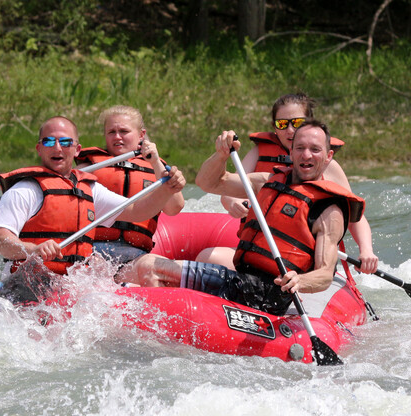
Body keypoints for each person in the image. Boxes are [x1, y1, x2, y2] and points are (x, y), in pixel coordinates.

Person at [130, 120, 365, 316]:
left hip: (268, 292)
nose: (306, 155)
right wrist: (221, 155)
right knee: (142, 270)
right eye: (300, 148)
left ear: (328, 156)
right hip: (240, 278)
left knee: (150, 266)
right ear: (291, 151)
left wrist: (300, 282)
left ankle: (157, 331)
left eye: (315, 149)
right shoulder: (267, 182)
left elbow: (325, 274)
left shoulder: (328, 210)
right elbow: (208, 183)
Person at [196, 93, 378, 274]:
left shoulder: (327, 166)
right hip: (260, 252)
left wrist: (366, 250)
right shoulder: (262, 162)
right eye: (282, 124)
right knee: (208, 258)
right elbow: (227, 187)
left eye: (297, 123)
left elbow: (355, 216)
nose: (290, 130)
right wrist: (233, 202)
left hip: (304, 262)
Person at [0, 115, 186, 278]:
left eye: (65, 142)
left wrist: (166, 189)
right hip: (29, 281)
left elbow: (136, 211)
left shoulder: (90, 189)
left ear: (77, 150)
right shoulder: (24, 191)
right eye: (49, 141)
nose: (58, 148)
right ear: (39, 148)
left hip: (72, 284)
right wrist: (33, 249)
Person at [75, 105, 185, 267]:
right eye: (111, 132)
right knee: (96, 265)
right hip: (93, 248)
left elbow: (174, 208)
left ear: (141, 135)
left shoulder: (157, 168)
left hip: (135, 253)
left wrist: (155, 161)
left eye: (124, 131)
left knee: (148, 271)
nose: (117, 137)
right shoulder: (88, 167)